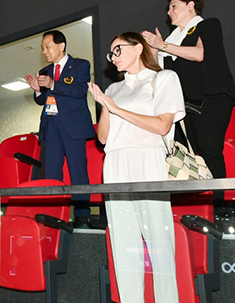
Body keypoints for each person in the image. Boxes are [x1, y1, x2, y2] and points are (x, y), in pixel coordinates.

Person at [89, 32, 185, 303]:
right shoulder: (113, 89)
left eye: (118, 49)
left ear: (138, 48)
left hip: (148, 158)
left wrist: (116, 109)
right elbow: (103, 138)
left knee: (159, 242)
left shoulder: (163, 78)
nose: (113, 57)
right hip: (115, 162)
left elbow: (162, 126)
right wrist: (106, 106)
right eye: (111, 53)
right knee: (124, 244)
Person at [142, 0, 235, 179]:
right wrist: (154, 51)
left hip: (212, 98)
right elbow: (161, 71)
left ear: (191, 5)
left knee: (209, 150)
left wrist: (163, 46)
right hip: (185, 103)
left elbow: (199, 54)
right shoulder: (172, 39)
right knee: (184, 155)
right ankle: (193, 198)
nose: (169, 12)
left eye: (174, 6)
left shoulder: (208, 25)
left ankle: (219, 198)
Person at [25, 30, 96, 227]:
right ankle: (53, 214)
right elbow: (42, 100)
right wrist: (37, 90)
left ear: (61, 45)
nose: (44, 51)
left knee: (77, 171)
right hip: (51, 126)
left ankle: (82, 215)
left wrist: (53, 84)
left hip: (73, 126)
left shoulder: (80, 65)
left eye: (48, 47)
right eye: (42, 48)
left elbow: (80, 90)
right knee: (51, 172)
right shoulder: (45, 70)